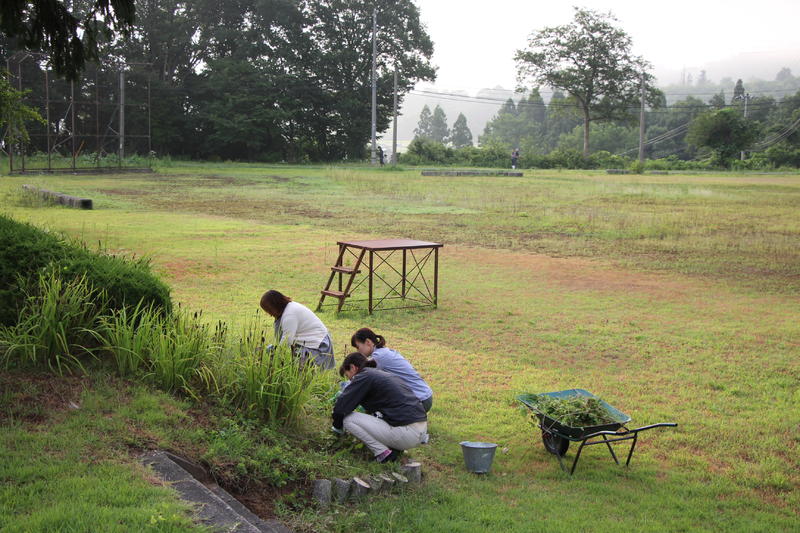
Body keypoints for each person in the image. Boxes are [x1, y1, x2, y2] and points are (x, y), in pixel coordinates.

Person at [333, 352, 428, 463]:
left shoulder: (363, 376)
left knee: (348, 419)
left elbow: (341, 408)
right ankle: (394, 448)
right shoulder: (379, 374)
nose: (349, 380)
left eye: (347, 375)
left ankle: (383, 453)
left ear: (353, 368)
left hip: (407, 432)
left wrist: (337, 428)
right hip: (419, 429)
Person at [350, 328, 433, 412]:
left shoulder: (379, 357)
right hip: (424, 395)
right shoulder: (383, 352)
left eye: (358, 347)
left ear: (368, 342)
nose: (358, 351)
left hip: (420, 399)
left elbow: (363, 380)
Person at [259, 289, 334, 369]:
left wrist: (274, 359)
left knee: (291, 361)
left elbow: (286, 342)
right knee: (273, 350)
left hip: (319, 347)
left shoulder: (289, 315)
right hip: (309, 342)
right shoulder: (287, 308)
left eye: (269, 310)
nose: (270, 314)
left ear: (275, 305)